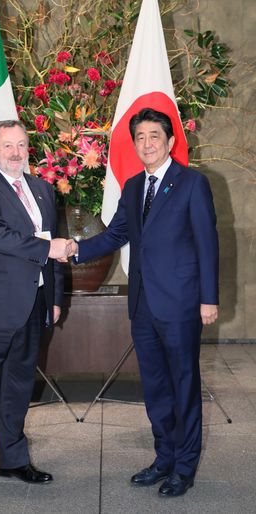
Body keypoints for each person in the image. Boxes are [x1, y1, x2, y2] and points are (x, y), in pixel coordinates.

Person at [68, 108, 219, 497]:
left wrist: (208, 299)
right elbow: (115, 234)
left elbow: (207, 243)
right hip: (143, 304)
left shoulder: (192, 183)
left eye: (155, 136)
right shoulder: (133, 187)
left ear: (170, 142)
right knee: (154, 387)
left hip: (182, 304)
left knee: (183, 385)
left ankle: (184, 468)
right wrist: (74, 249)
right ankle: (163, 458)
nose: (147, 143)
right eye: (140, 137)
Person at [0, 119, 69, 500]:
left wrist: (53, 298)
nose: (16, 152)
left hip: (31, 305)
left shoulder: (42, 190)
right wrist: (48, 249)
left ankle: (14, 460)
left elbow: (51, 242)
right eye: (8, 146)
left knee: (19, 388)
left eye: (22, 145)